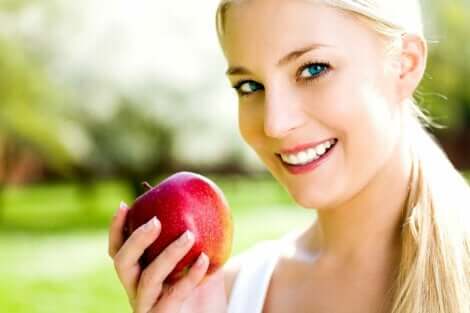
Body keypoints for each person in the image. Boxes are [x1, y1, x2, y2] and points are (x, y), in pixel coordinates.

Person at [107, 0, 470, 312]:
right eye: (249, 86)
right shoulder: (230, 297)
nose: (274, 124)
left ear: (404, 64)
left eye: (312, 69)